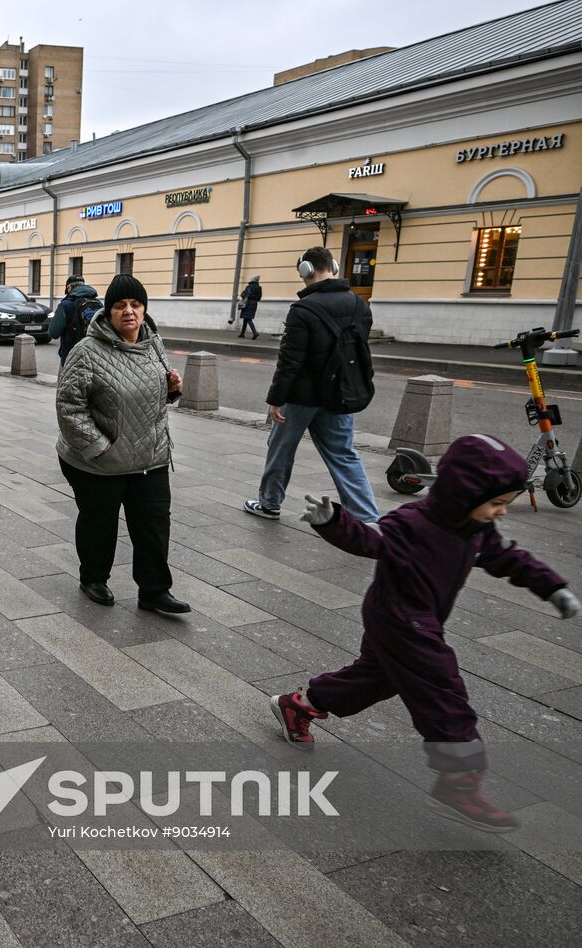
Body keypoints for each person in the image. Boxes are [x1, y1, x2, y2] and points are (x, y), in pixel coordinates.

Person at [277, 433, 580, 831]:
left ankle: (302, 703)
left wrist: (552, 586)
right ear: (464, 494)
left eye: (505, 505)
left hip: (421, 618)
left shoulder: (476, 529)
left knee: (379, 678)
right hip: (400, 618)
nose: (500, 513)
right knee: (443, 691)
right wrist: (333, 521)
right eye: (496, 504)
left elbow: (510, 557)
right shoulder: (412, 523)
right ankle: (460, 783)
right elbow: (370, 539)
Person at [55, 274, 189, 615]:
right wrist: (100, 448)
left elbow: (153, 395)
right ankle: (93, 578)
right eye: (120, 305)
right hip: (99, 460)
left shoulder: (152, 341)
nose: (128, 311)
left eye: (135, 304)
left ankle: (155, 591)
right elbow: (69, 407)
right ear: (109, 311)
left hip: (150, 455)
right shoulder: (87, 351)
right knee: (100, 522)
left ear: (144, 309)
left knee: (154, 524)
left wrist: (172, 389)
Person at [244, 247, 378, 522]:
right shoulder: (359, 305)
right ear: (334, 267)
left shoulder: (303, 309)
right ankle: (367, 518)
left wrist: (275, 398)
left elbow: (290, 361)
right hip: (339, 395)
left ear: (306, 270)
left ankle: (269, 504)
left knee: (281, 449)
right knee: (344, 455)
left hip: (301, 397)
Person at [49, 273, 101, 367]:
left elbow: (53, 332)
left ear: (69, 287)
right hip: (95, 355)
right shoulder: (97, 303)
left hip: (71, 356)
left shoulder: (65, 305)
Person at [232, 274, 262, 339]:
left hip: (247, 303)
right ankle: (242, 333)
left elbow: (243, 295)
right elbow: (259, 298)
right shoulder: (259, 288)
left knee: (248, 319)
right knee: (246, 319)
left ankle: (255, 333)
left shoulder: (249, 286)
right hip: (254, 304)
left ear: (253, 280)